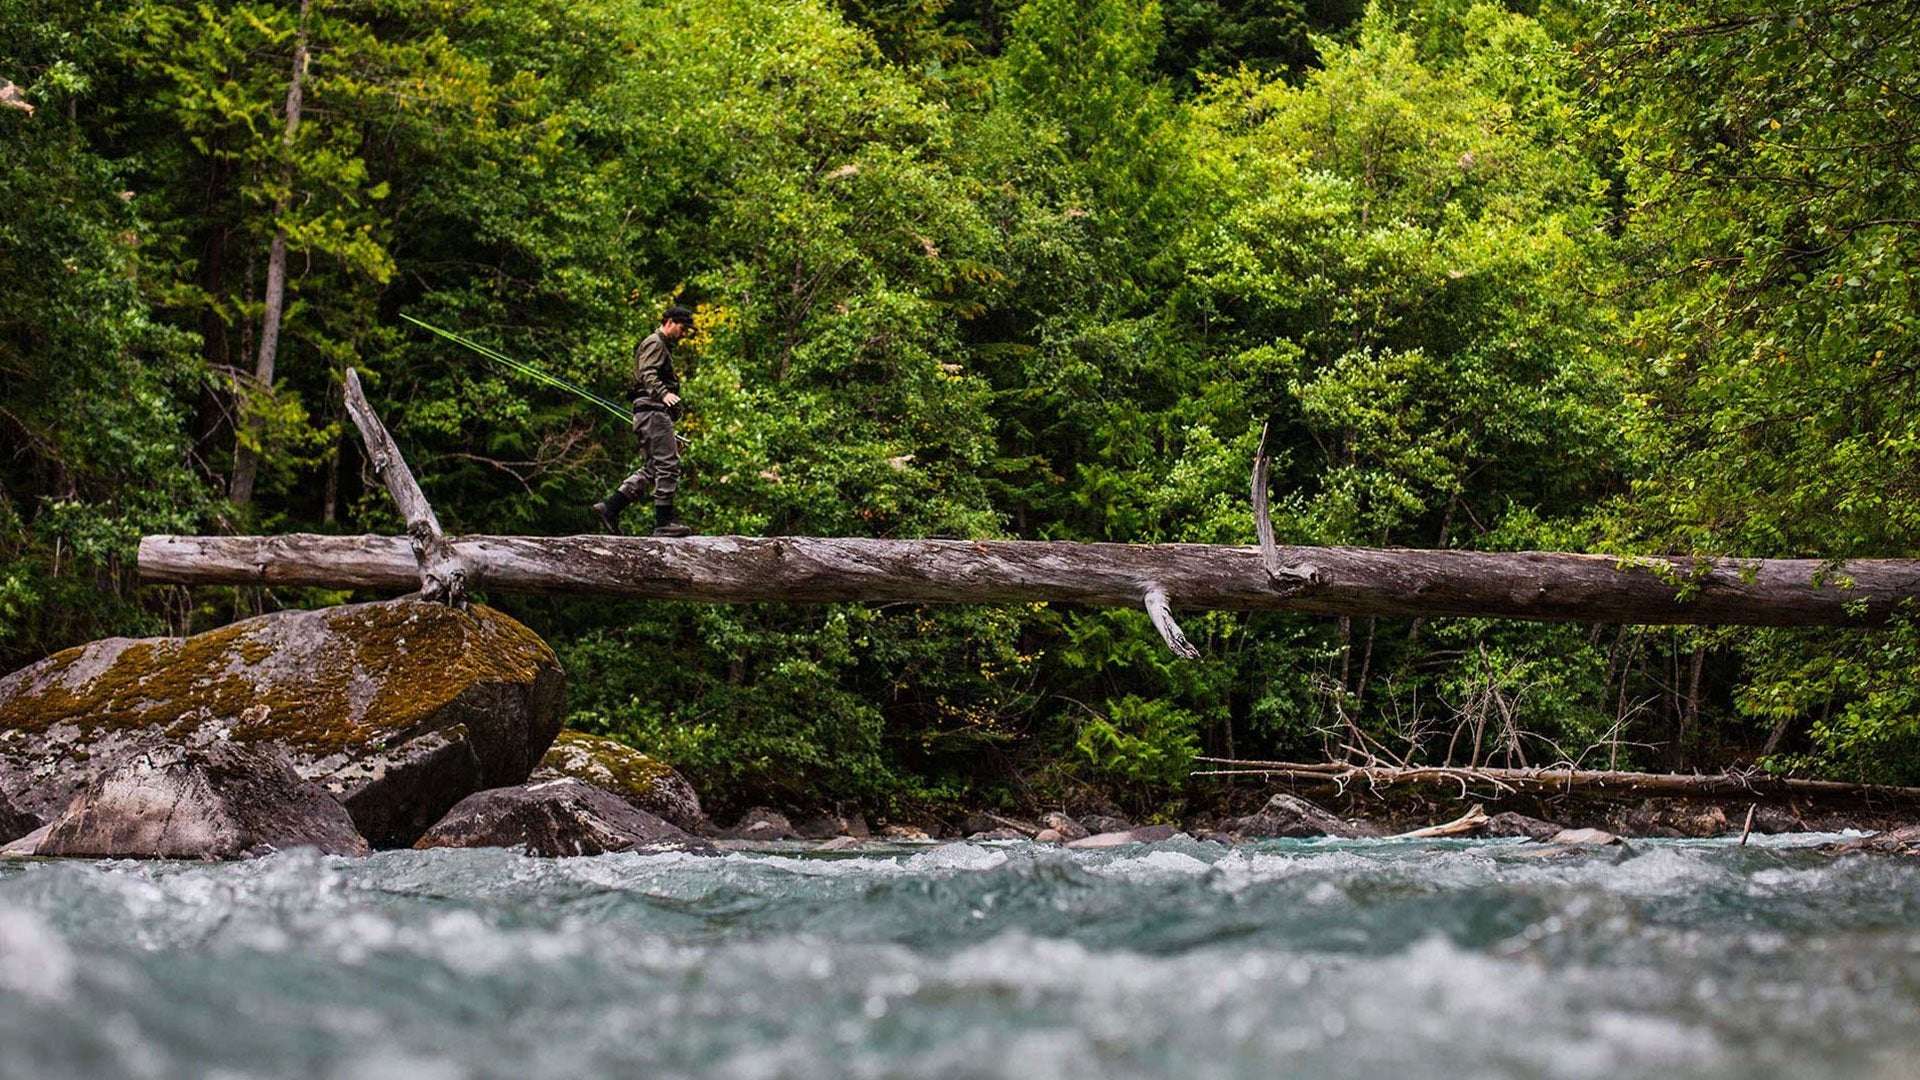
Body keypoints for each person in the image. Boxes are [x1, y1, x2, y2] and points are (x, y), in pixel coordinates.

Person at [594, 305, 695, 537]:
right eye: (682, 328)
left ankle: (611, 507)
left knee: (653, 468)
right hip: (653, 412)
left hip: (650, 415)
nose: (684, 333)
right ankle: (664, 523)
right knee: (669, 465)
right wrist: (664, 394)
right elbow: (648, 373)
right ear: (670, 322)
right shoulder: (655, 342)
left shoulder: (660, 345)